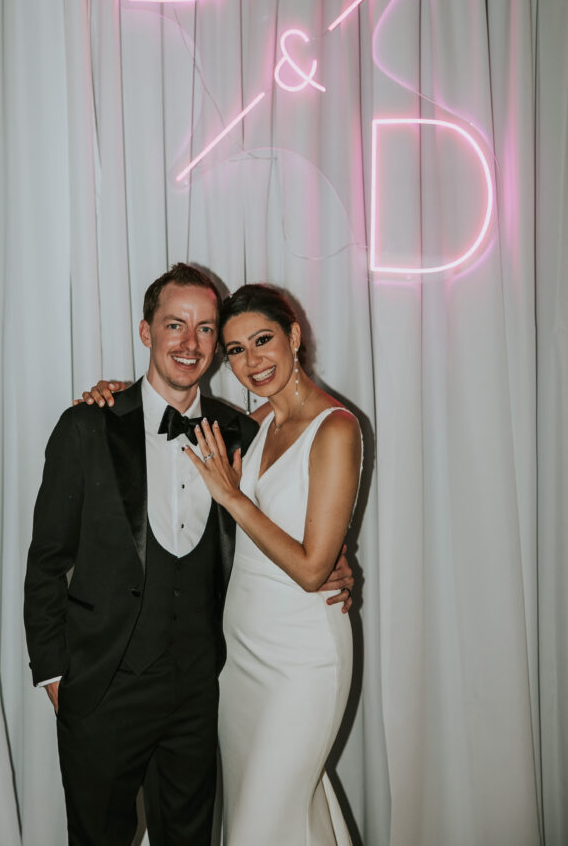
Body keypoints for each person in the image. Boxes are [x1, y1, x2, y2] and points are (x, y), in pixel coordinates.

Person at [24, 264, 354, 846]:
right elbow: (47, 560)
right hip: (104, 689)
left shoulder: (238, 430)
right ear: (146, 332)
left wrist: (338, 559)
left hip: (206, 692)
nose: (190, 342)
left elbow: (296, 501)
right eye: (175, 325)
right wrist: (55, 675)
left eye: (205, 330)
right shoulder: (88, 425)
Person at [183, 284, 362, 844]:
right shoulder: (254, 422)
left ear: (294, 336)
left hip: (302, 663)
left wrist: (234, 498)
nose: (252, 361)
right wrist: (111, 393)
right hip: (241, 659)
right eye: (235, 350)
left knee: (262, 823)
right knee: (274, 817)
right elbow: (170, 415)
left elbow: (312, 570)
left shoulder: (336, 427)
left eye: (263, 341)